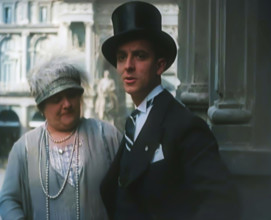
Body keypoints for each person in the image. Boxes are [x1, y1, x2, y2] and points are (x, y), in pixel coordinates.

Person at [100, 1, 240, 220]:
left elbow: (222, 203)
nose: (128, 65)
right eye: (121, 57)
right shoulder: (132, 123)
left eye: (139, 56)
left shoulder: (185, 125)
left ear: (159, 65)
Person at [0, 56, 122, 220]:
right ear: (42, 107)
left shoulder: (107, 136)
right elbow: (9, 200)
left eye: (71, 95)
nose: (67, 104)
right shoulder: (24, 148)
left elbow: (131, 192)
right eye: (57, 99)